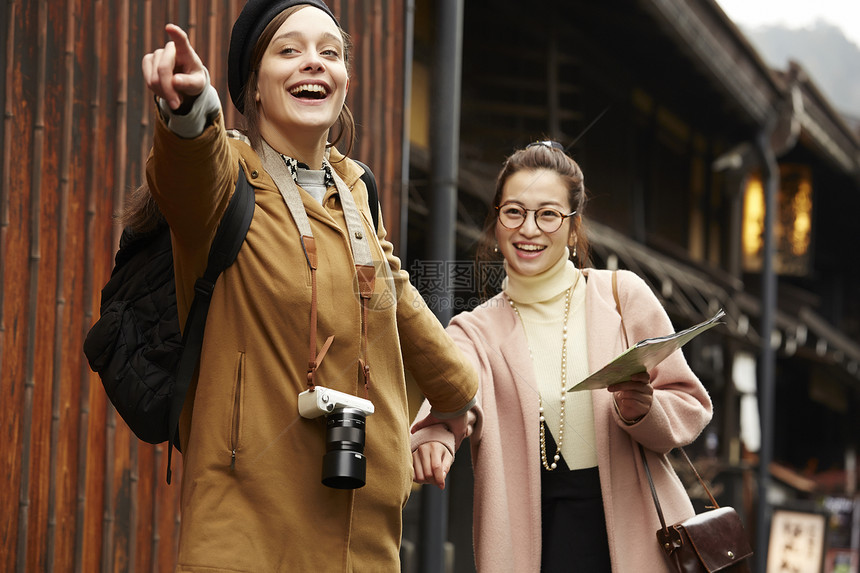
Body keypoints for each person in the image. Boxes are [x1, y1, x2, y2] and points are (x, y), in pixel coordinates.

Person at [140, 1, 477, 571]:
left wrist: (458, 396)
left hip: (365, 532)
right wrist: (192, 110)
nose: (313, 63)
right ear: (255, 85)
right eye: (288, 50)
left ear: (345, 79)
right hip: (249, 531)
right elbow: (189, 170)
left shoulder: (354, 188)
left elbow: (395, 293)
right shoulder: (230, 179)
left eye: (330, 52)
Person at [410, 141, 713, 572]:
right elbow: (454, 393)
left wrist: (643, 410)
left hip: (637, 535)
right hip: (534, 539)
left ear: (573, 228)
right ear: (496, 222)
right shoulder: (474, 329)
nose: (528, 229)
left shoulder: (622, 296)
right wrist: (437, 434)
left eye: (548, 214)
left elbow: (688, 402)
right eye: (513, 212)